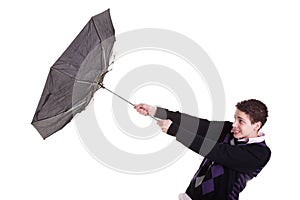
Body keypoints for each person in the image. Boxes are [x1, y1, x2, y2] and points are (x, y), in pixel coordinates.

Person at [134, 99, 271, 200]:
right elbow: (196, 124)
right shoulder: (228, 130)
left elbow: (216, 151)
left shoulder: (259, 153)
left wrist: (175, 130)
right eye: (235, 118)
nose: (234, 124)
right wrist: (156, 111)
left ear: (256, 125)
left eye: (241, 121)